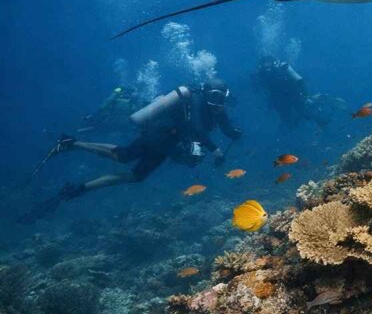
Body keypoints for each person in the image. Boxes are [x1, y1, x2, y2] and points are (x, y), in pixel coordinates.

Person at [20, 78, 242, 223]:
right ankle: (71, 143)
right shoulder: (194, 100)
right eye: (213, 98)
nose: (217, 103)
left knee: (136, 176)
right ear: (205, 94)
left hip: (170, 143)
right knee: (123, 156)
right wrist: (215, 150)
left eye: (220, 99)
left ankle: (79, 189)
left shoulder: (218, 109)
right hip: (159, 133)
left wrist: (234, 134)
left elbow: (225, 127)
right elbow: (195, 128)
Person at [253, 57, 332, 129]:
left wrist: (305, 96)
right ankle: (294, 129)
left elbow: (299, 80)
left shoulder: (283, 68)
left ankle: (321, 121)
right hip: (278, 99)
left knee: (304, 112)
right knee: (286, 119)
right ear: (262, 66)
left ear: (274, 64)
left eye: (269, 66)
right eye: (265, 67)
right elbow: (257, 87)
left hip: (293, 94)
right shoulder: (261, 74)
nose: (268, 69)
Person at [77, 85, 146, 136]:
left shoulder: (117, 99)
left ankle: (84, 126)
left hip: (110, 122)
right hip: (124, 127)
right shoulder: (135, 105)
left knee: (97, 126)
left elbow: (102, 107)